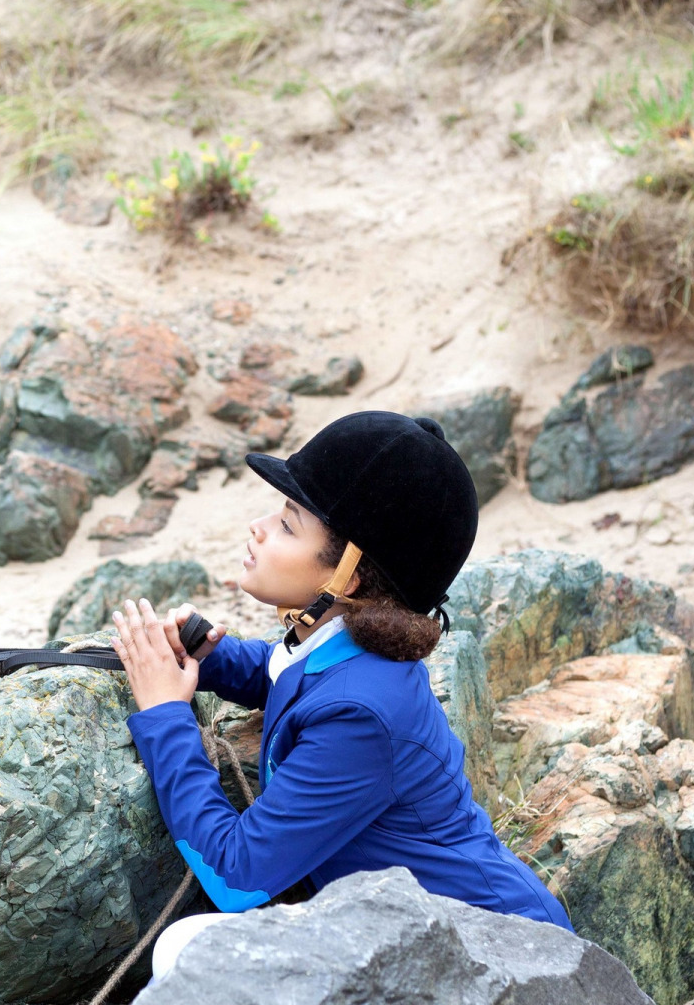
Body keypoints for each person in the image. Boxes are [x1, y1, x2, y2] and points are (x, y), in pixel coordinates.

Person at [108, 410, 571, 983]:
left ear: (348, 579)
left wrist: (166, 715)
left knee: (187, 950)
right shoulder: (352, 649)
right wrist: (210, 657)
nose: (258, 527)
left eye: (287, 524)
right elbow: (290, 676)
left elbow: (235, 877)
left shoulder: (362, 714)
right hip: (427, 938)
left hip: (494, 963)